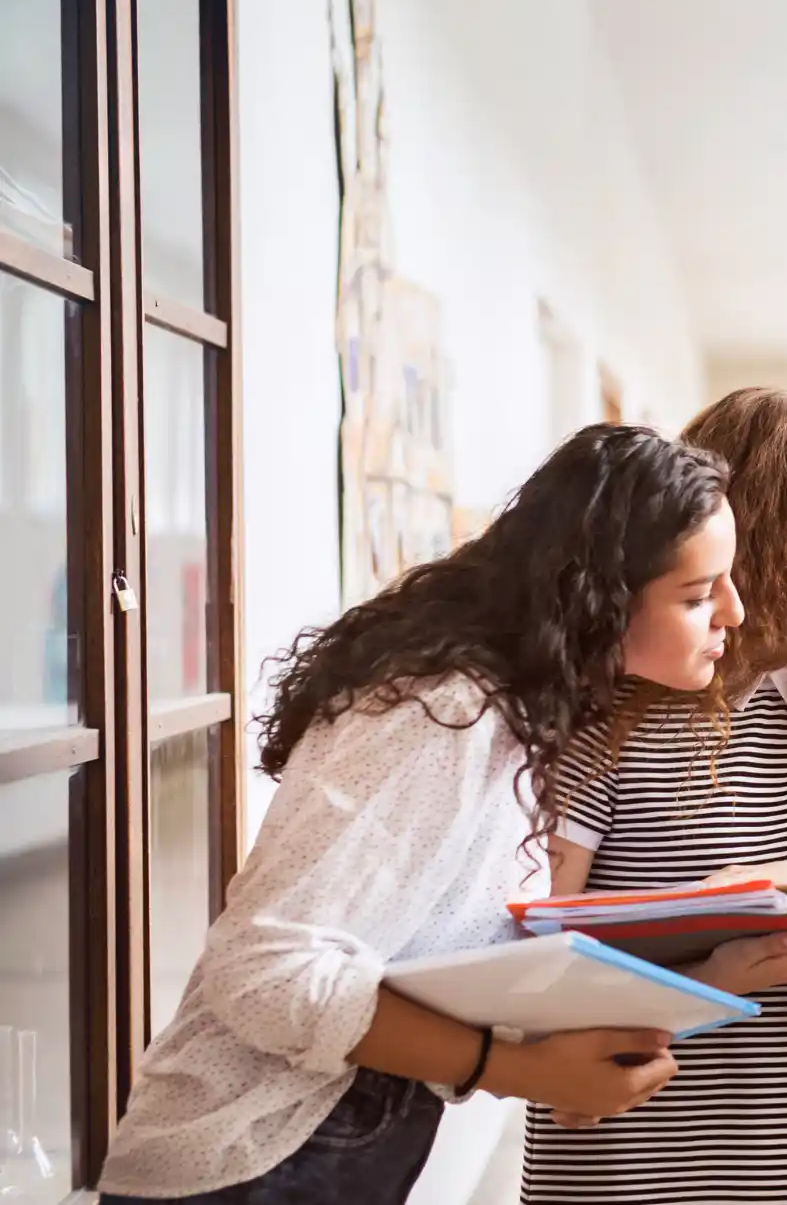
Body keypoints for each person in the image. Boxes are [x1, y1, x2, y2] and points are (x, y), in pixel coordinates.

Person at [97, 426, 741, 1203]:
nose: (731, 613)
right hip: (245, 1161)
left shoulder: (524, 716)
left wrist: (716, 954)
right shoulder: (445, 711)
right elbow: (262, 972)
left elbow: (435, 958)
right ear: (597, 598)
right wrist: (520, 1070)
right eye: (699, 593)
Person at [522, 388, 787, 1205]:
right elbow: (530, 978)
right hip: (626, 1178)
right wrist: (719, 973)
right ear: (759, 524)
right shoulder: (607, 715)